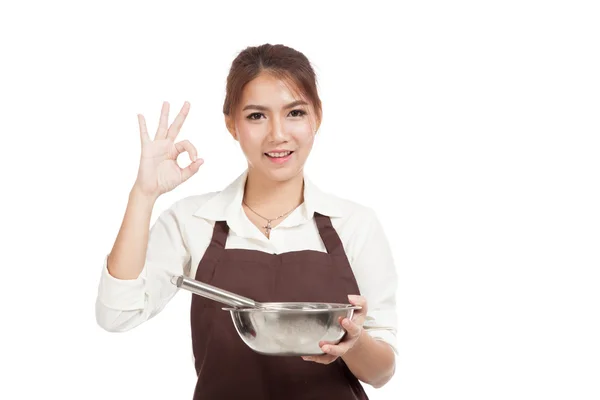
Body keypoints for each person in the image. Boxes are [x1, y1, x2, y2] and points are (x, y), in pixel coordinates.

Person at [95, 43, 398, 399]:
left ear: (317, 116)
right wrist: (143, 194)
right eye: (256, 116)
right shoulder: (193, 221)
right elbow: (117, 314)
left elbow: (381, 373)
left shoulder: (354, 224)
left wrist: (355, 341)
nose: (277, 134)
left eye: (295, 113)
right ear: (231, 124)